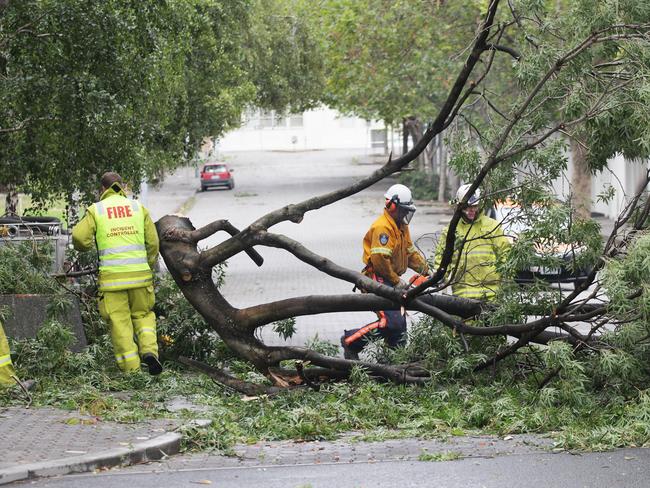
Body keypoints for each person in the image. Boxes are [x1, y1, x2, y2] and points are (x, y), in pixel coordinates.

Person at [72, 172, 163, 375]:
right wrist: (146, 265)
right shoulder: (138, 208)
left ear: (102, 189)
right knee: (143, 315)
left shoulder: (97, 210)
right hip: (140, 278)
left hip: (112, 282)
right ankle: (149, 352)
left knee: (120, 323)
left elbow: (79, 238)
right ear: (123, 187)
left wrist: (87, 246)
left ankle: (131, 371)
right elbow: (153, 243)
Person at [341, 184, 430, 360]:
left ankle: (396, 362)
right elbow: (380, 261)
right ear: (392, 206)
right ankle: (351, 341)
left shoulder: (402, 227)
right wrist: (396, 281)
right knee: (391, 322)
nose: (405, 215)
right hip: (378, 278)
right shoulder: (383, 228)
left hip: (390, 277)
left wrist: (427, 272)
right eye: (403, 210)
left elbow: (410, 254)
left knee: (399, 326)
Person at [434, 184, 510, 300]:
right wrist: (438, 277)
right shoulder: (451, 231)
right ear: (460, 206)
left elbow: (506, 253)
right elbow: (442, 259)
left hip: (491, 294)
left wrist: (508, 278)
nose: (472, 210)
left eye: (474, 206)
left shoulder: (492, 226)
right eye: (468, 206)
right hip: (462, 295)